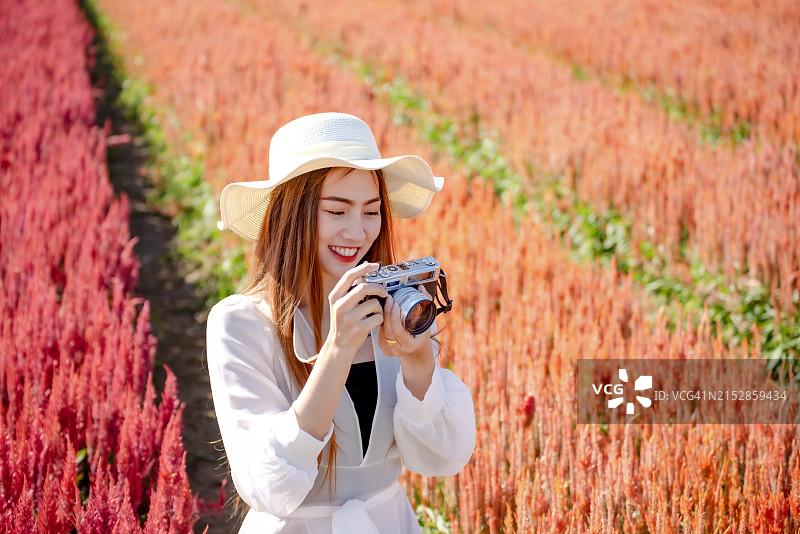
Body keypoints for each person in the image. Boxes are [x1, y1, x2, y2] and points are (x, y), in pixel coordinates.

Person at [207, 112, 476, 533]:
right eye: (336, 211)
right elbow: (270, 485)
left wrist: (420, 360)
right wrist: (337, 348)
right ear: (291, 214)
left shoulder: (394, 305)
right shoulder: (241, 324)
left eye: (371, 212)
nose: (358, 231)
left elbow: (442, 457)